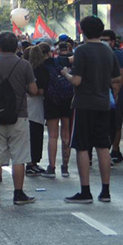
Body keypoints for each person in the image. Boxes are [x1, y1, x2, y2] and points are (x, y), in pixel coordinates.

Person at [61, 16, 121, 204]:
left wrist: (65, 74)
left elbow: (77, 80)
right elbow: (116, 79)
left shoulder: (82, 51)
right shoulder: (108, 51)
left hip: (84, 103)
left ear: (82, 30)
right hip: (103, 103)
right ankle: (105, 191)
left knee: (82, 146)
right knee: (103, 146)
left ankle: (85, 191)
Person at [0, 31, 38, 206]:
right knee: (19, 157)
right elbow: (34, 90)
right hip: (19, 115)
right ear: (16, 46)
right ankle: (18, 194)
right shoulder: (24, 65)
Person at [42, 42, 73, 178]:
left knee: (52, 136)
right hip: (67, 100)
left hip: (51, 101)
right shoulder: (64, 61)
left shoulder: (44, 65)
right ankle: (65, 167)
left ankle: (51, 166)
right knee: (66, 135)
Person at [101, 30, 123, 164]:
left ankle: (115, 151)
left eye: (106, 39)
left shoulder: (117, 54)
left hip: (117, 95)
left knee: (116, 124)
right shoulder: (103, 53)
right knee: (108, 124)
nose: (104, 42)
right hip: (107, 94)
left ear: (112, 41)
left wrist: (116, 93)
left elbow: (122, 74)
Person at [25, 45, 48, 176]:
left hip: (24, 104)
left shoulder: (23, 68)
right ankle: (33, 163)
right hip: (37, 103)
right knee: (36, 133)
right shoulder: (42, 69)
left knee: (29, 135)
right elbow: (40, 90)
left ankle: (29, 162)